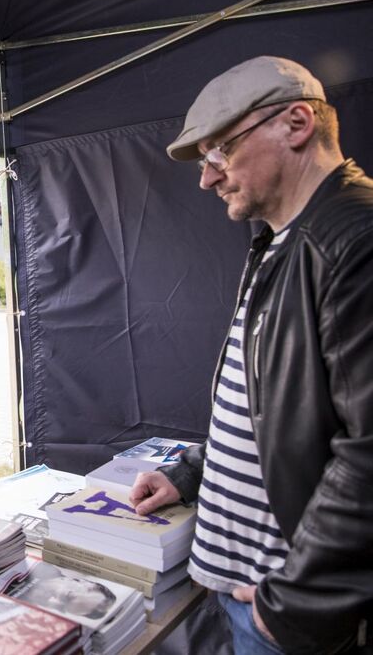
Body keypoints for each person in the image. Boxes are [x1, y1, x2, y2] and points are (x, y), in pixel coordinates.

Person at [129, 56, 373, 654]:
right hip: (254, 597)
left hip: (293, 620)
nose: (208, 178)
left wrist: (294, 607)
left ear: (297, 123)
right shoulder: (284, 240)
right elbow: (281, 416)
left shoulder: (354, 239)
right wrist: (191, 473)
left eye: (221, 150)